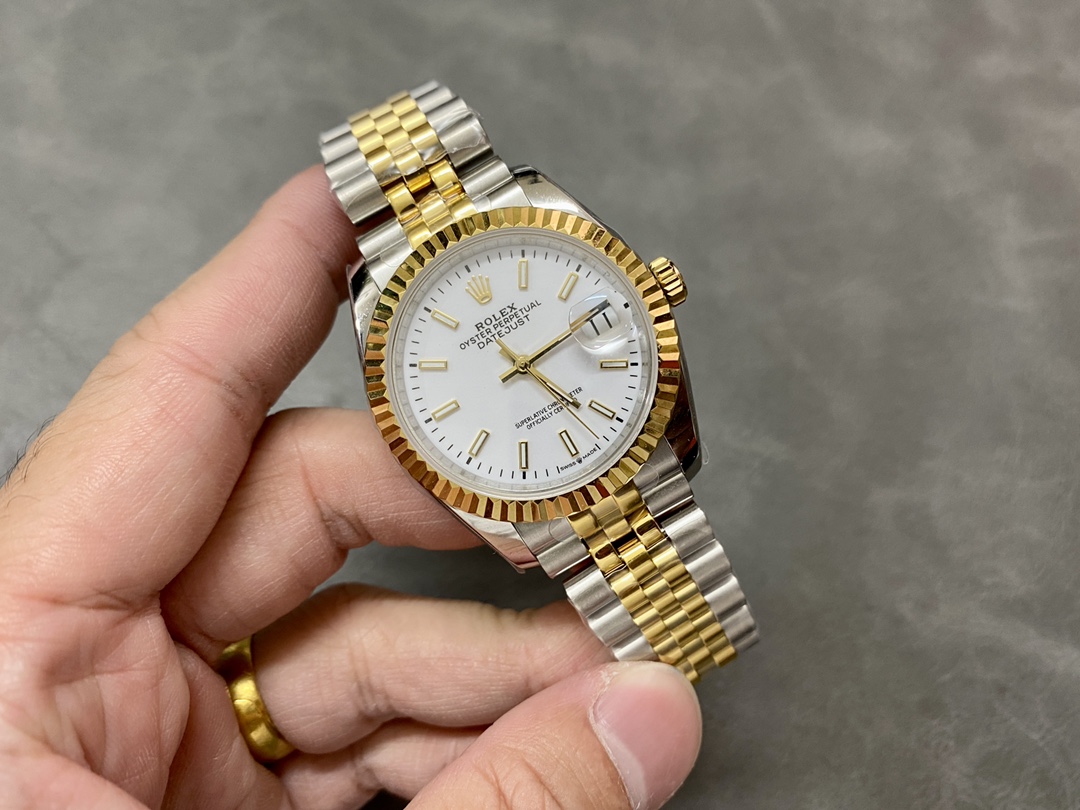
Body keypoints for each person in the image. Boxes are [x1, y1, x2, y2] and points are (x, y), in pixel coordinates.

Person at [0, 168, 703, 809]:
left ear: (652, 287)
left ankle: (684, 644)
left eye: (519, 359)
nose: (516, 366)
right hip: (541, 481)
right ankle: (681, 652)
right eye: (509, 365)